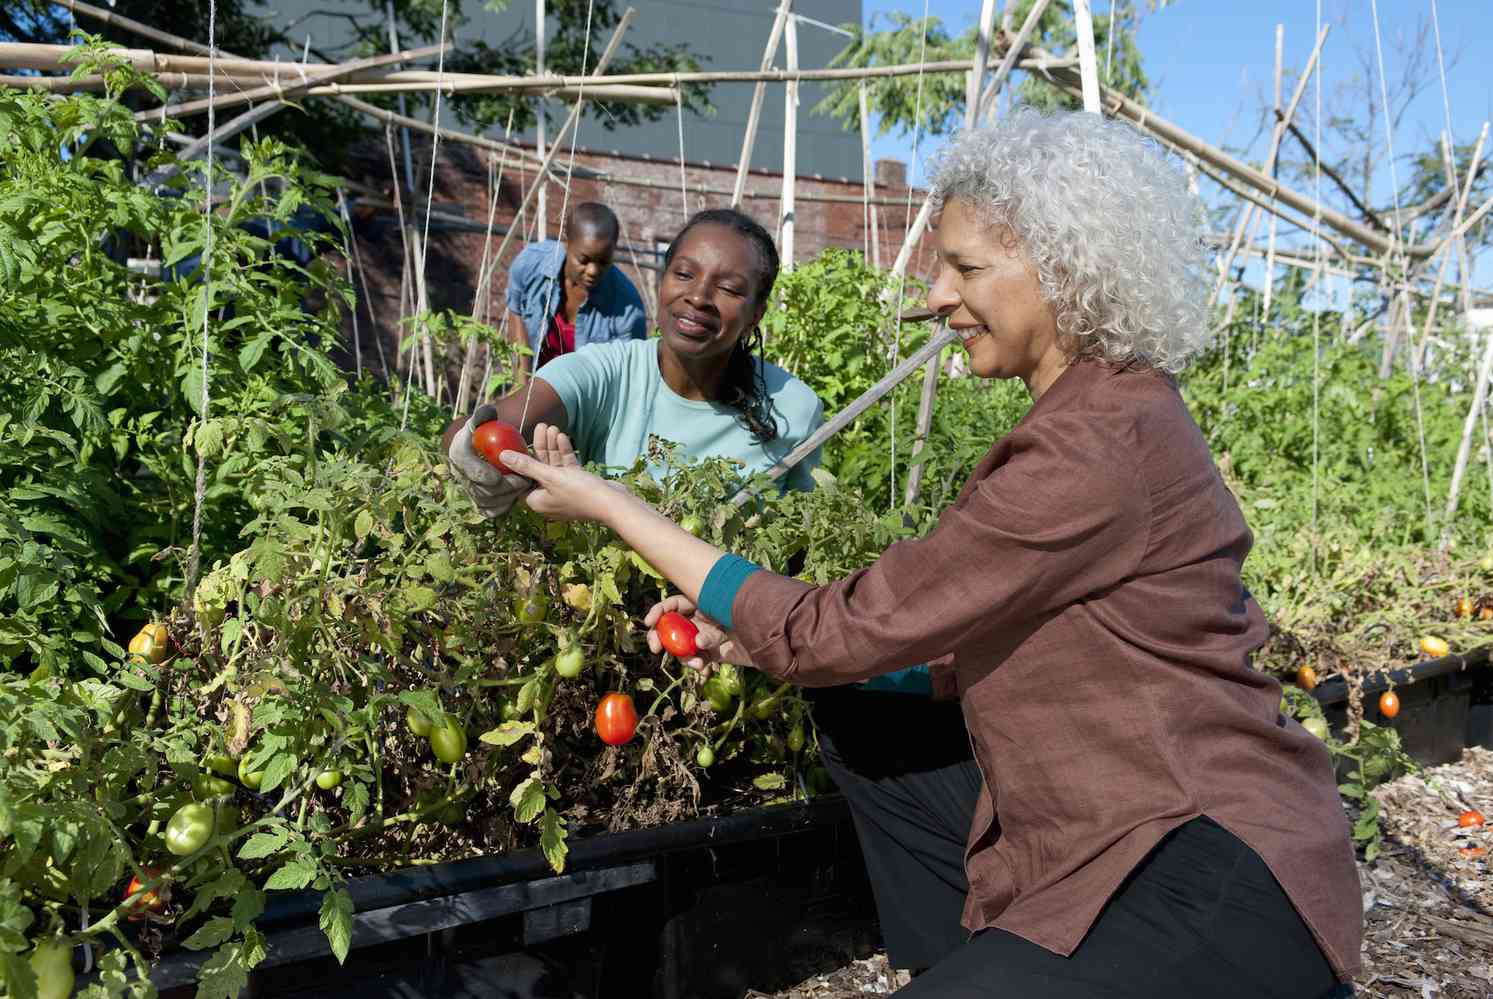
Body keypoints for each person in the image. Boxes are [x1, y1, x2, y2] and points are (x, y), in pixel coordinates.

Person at [493, 110, 1362, 998]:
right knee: (864, 714)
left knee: (837, 670)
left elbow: (833, 631)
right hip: (1112, 830)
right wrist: (745, 639)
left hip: (1207, 865)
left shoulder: (1095, 444)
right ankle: (977, 960)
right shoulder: (1102, 408)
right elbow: (932, 646)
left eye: (967, 268)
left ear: (1062, 271)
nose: (937, 293)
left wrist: (611, 503)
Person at [445, 208, 824, 516]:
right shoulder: (607, 371)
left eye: (728, 288)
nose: (699, 296)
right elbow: (497, 423)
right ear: (662, 281)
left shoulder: (794, 409)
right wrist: (467, 448)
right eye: (684, 274)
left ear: (757, 312)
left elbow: (799, 542)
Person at [504, 202, 646, 383]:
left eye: (604, 261)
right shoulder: (530, 264)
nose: (593, 271)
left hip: (586, 403)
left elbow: (625, 377)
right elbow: (516, 314)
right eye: (583, 260)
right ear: (566, 242)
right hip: (532, 386)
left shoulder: (627, 308)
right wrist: (521, 386)